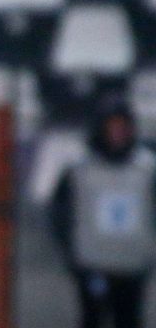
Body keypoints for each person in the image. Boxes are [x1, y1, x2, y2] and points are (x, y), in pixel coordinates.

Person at [49, 99, 156, 328]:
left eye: (123, 127)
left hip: (133, 264)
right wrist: (71, 254)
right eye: (112, 127)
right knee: (93, 319)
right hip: (92, 262)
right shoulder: (79, 168)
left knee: (128, 319)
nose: (118, 133)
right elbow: (60, 213)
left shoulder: (147, 168)